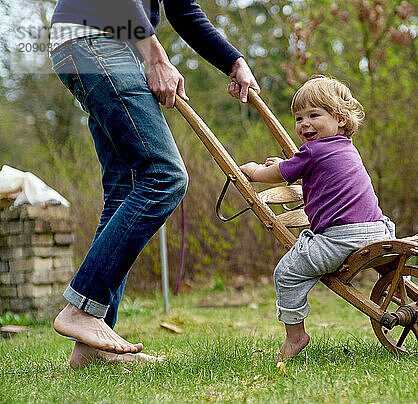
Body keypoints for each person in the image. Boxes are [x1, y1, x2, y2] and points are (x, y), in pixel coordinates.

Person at [48, 0, 260, 369]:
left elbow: (184, 11)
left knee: (125, 189)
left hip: (99, 44)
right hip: (97, 40)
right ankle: (81, 306)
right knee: (165, 176)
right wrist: (156, 56)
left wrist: (234, 61)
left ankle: (93, 346)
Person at [240, 76, 395, 360]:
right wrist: (287, 165)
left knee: (286, 274)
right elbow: (306, 172)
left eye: (314, 115)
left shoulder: (312, 151)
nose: (304, 124)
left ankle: (296, 337)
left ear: (339, 119)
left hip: (343, 238)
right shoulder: (345, 148)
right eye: (299, 118)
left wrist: (254, 171)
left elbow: (278, 175)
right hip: (380, 232)